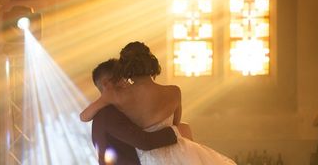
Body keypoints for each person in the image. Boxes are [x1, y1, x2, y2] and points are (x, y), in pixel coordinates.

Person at [80, 41, 236, 164]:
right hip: (180, 154)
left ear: (125, 69)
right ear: (151, 63)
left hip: (149, 158)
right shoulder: (175, 92)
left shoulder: (118, 97)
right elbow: (176, 124)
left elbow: (84, 117)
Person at [89, 58, 179, 165]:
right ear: (106, 84)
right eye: (122, 79)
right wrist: (175, 132)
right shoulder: (109, 114)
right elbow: (144, 142)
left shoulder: (109, 111)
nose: (128, 83)